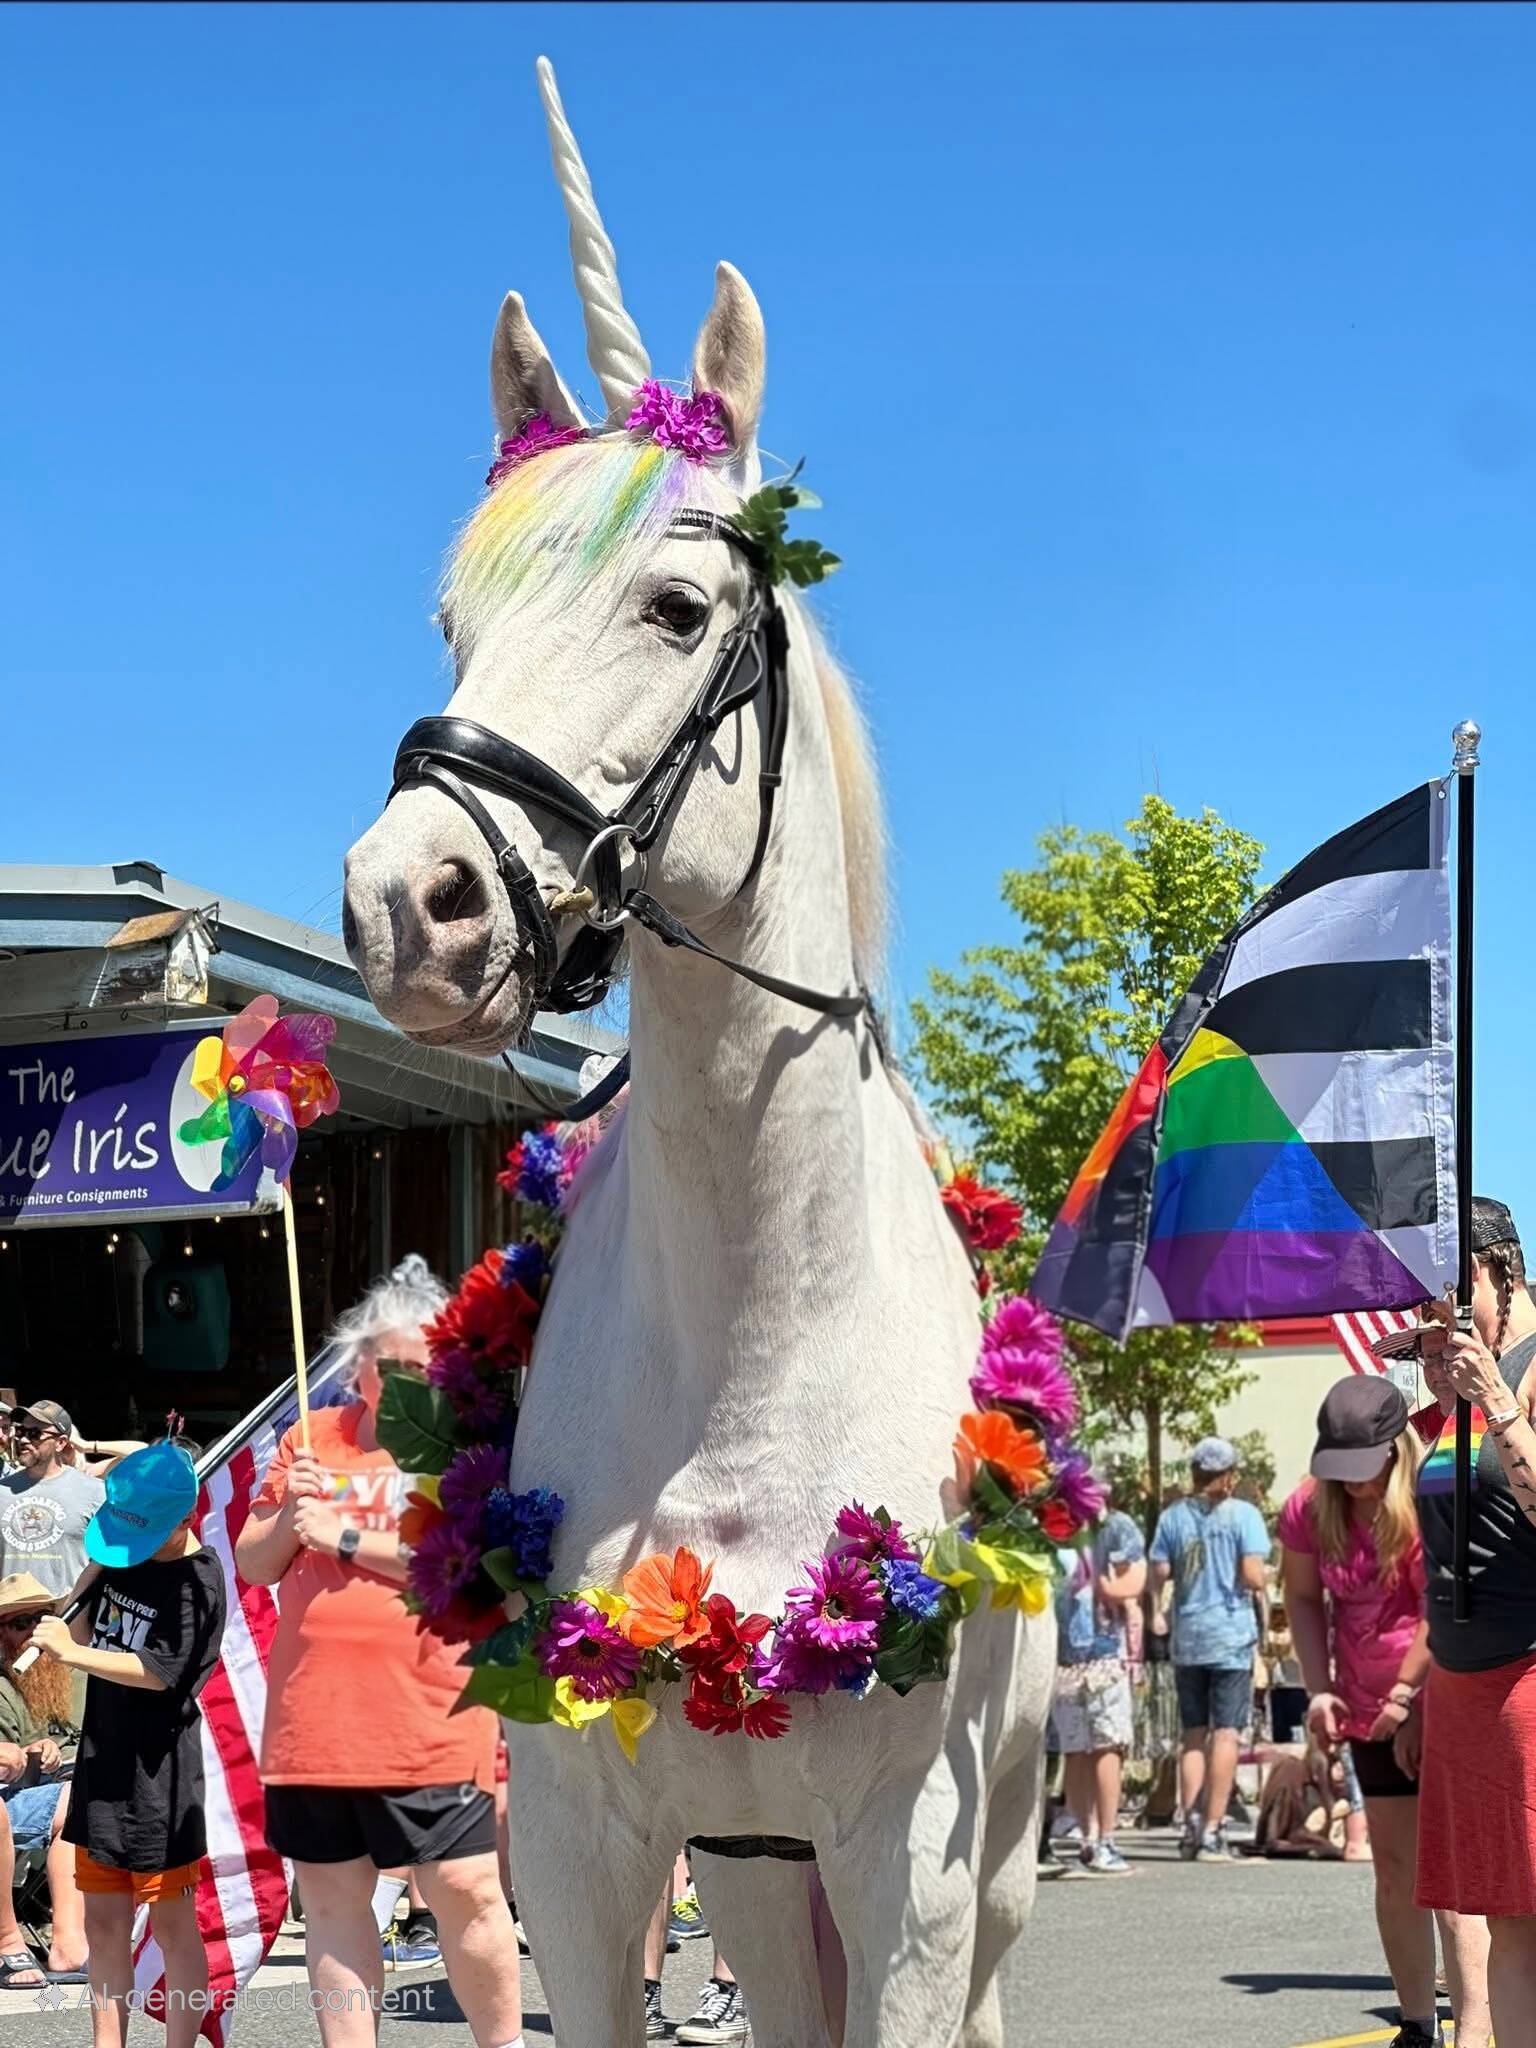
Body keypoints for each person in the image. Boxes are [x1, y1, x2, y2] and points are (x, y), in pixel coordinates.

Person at [235, 1257, 526, 2048]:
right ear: (356, 1363)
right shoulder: (310, 1435)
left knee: (466, 1889)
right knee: (331, 1902)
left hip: (430, 1712)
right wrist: (289, 1519)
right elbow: (254, 1563)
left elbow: (487, 1569)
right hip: (314, 1719)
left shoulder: (466, 1444)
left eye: (420, 1368)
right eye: (385, 1364)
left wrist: (347, 1536)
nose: (400, 1382)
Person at [1281, 1375, 1491, 2048]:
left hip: (1441, 1695)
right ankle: (1416, 2023)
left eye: (1365, 1471)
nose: (1355, 1486)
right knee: (1397, 1872)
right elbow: (1305, 1600)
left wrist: (1410, 1699)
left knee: (1454, 1883)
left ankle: (1476, 2029)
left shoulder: (1431, 1493)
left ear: (1395, 1449)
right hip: (1367, 1710)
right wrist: (1318, 1688)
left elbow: (1443, 1606)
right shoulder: (1310, 1507)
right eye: (1341, 1472)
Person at [30, 1435, 225, 2048]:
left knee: (172, 1925)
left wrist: (71, 1653)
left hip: (158, 1776)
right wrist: (95, 1568)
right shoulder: (126, 1554)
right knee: (103, 1925)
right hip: (103, 1760)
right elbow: (81, 1621)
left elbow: (157, 1672)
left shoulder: (199, 1582)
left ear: (184, 1519)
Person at [1412, 1197, 1536, 2048]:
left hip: (1528, 1679)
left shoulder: (1520, 1370)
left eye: (1442, 1298)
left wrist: (1498, 1401)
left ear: (1496, 1268)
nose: (1428, 1321)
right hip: (1462, 1689)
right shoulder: (1459, 1378)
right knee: (1504, 1919)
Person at [1150, 1436, 1269, 1862]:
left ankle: (1189, 1825)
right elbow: (1253, 1575)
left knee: (1193, 1735)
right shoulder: (1244, 1515)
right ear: (1229, 1476)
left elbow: (1160, 1572)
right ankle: (1214, 1830)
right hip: (1231, 1636)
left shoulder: (1172, 1517)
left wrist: (1157, 1611)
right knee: (1227, 1734)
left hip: (1189, 1636)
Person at [0, 1570, 87, 1988]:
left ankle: (69, 1944)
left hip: (59, 1784)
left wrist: (43, 1753)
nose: (34, 1632)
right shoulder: (3, 1684)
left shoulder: (78, 1671)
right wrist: (22, 1755)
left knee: (78, 1799)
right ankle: (7, 1941)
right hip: (11, 1795)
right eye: (21, 1623)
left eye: (42, 1620)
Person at [1049, 1504, 1147, 1875]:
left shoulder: (1053, 1526)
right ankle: (1101, 1839)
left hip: (1067, 1657)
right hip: (1099, 1655)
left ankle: (1086, 1833)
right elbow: (1134, 1581)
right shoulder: (1116, 1526)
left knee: (1081, 1748)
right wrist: (1106, 1586)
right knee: (1105, 1747)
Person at [0, 1401, 105, 1597]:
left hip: (65, 1621)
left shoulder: (95, 1493)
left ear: (60, 1443)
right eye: (22, 1432)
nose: (23, 1440)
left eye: (34, 1434)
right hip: (8, 1622)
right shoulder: (2, 1490)